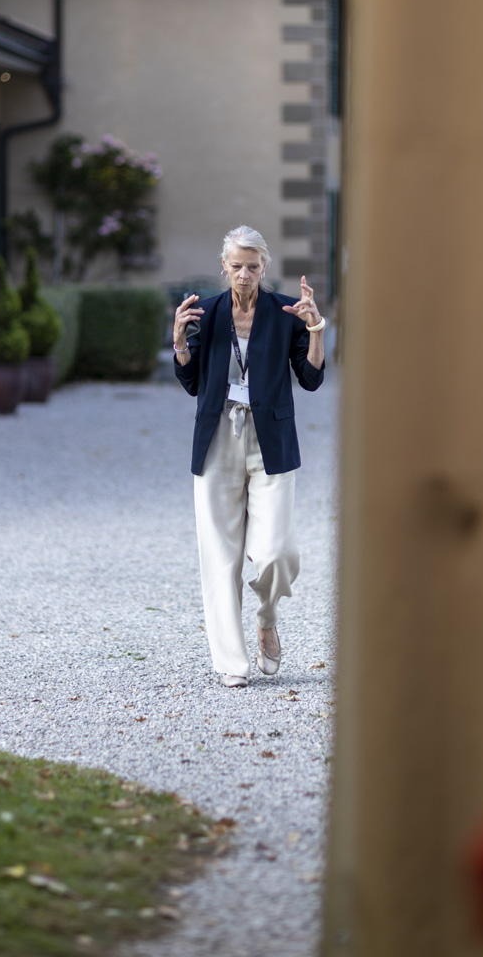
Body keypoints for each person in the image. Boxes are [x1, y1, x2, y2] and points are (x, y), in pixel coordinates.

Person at [173, 225, 326, 688]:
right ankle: (231, 662)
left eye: (252, 266)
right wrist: (179, 341)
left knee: (277, 551)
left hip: (270, 438)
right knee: (220, 555)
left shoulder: (284, 312)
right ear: (224, 267)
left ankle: (267, 618)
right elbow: (192, 382)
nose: (244, 274)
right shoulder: (207, 312)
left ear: (264, 268)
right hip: (218, 434)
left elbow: (311, 379)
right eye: (236, 266)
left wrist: (315, 329)